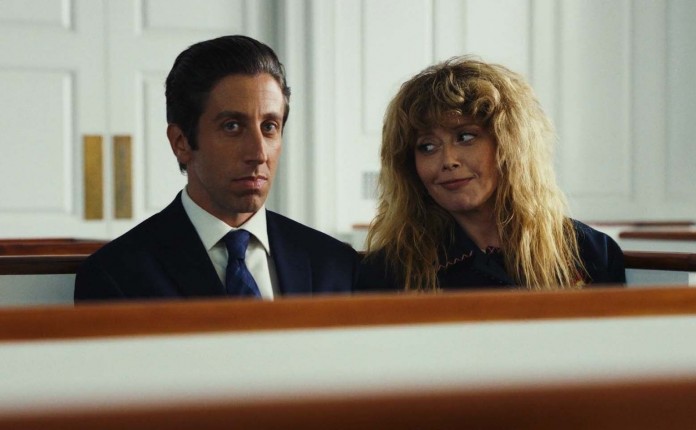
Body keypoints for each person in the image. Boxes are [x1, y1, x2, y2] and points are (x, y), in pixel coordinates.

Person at [75, 35, 358, 301]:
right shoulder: (116, 275)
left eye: (269, 127)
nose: (259, 154)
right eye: (232, 126)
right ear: (181, 142)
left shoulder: (335, 265)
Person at [357, 57, 625, 292]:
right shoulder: (390, 272)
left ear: (510, 144)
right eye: (427, 146)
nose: (448, 161)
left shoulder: (588, 251)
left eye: (465, 137)